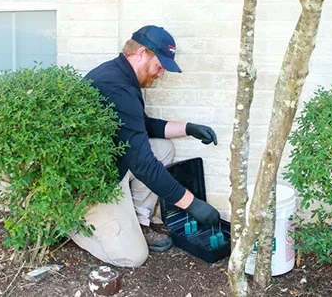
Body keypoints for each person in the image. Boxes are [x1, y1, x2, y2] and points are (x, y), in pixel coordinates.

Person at [70, 25, 220, 268]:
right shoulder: (117, 87)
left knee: (163, 149)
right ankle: (69, 224)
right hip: (94, 182)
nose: (160, 75)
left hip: (111, 161)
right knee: (134, 256)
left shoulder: (120, 77)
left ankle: (139, 222)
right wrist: (193, 204)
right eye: (159, 66)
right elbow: (143, 164)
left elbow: (140, 126)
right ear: (141, 53)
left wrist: (188, 127)